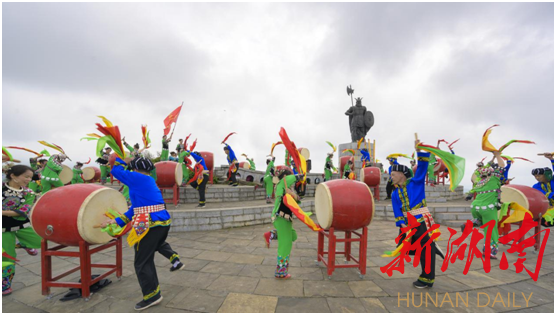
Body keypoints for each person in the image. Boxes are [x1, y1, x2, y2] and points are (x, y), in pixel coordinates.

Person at [100, 156, 184, 311]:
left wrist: (121, 158)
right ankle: (172, 261)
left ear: (135, 169)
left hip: (149, 224)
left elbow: (116, 171)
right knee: (150, 253)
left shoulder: (137, 178)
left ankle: (152, 295)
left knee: (142, 261)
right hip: (160, 222)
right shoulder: (148, 180)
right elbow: (135, 208)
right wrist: (115, 221)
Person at [390, 139, 443, 289]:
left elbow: (422, 167)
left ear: (402, 174)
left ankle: (427, 278)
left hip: (422, 220)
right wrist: (402, 224)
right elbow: (397, 211)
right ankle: (432, 251)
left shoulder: (416, 182)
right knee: (415, 249)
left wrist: (418, 150)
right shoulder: (395, 193)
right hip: (408, 224)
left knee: (425, 248)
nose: (392, 176)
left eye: (394, 174)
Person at [2, 165, 42, 295]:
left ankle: (24, 243)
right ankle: (5, 284)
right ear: (13, 176)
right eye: (26, 176)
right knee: (7, 256)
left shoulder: (28, 192)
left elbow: (24, 211)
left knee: (42, 240)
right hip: (3, 228)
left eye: (30, 177)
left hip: (22, 224)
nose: (29, 180)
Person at [464, 151, 506, 259]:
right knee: (491, 231)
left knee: (481, 220)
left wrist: (490, 161)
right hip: (487, 208)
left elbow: (477, 172)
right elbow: (502, 165)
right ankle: (489, 252)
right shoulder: (494, 178)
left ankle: (473, 222)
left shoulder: (478, 180)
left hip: (475, 207)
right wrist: (497, 155)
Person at [263, 169, 299, 279]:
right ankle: (281, 272)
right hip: (281, 217)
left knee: (293, 236)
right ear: (285, 178)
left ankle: (272, 234)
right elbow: (295, 177)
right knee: (286, 243)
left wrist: (292, 193)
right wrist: (302, 173)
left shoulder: (286, 188)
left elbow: (298, 199)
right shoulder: (281, 185)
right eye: (289, 178)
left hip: (285, 218)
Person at [532, 153, 554, 227]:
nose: (537, 178)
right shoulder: (536, 186)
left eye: (539, 175)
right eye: (535, 176)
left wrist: (551, 160)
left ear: (547, 175)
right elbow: (541, 195)